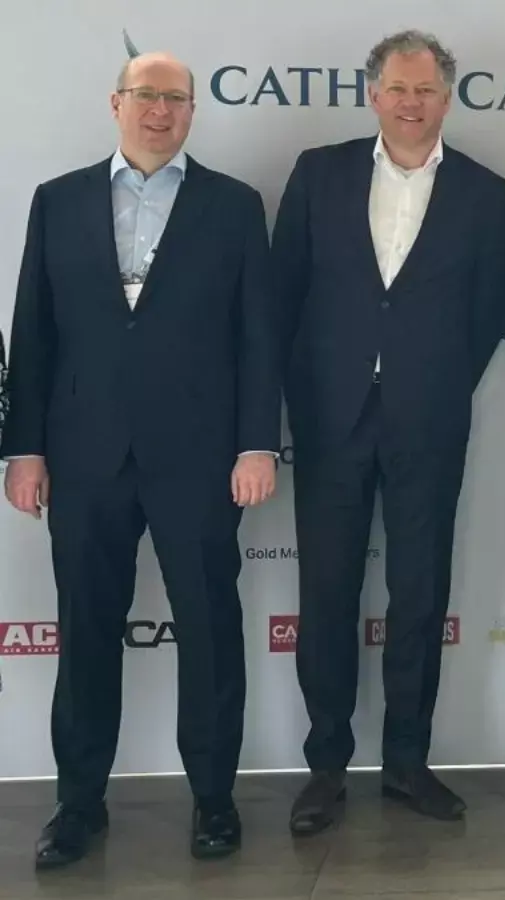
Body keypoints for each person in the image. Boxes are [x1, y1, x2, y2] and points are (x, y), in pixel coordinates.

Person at [3, 50, 280, 867]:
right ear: (116, 103)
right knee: (85, 628)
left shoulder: (235, 205)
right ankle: (78, 804)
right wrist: (23, 448)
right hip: (83, 454)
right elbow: (33, 331)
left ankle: (214, 799)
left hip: (201, 455)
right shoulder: (57, 200)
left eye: (176, 99)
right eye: (146, 96)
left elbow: (258, 336)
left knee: (210, 628)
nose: (161, 111)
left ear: (192, 110)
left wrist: (256, 442)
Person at [271, 29, 505, 834]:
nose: (412, 102)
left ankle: (408, 763)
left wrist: (433, 383)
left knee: (419, 594)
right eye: (399, 88)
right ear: (373, 94)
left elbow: (489, 311)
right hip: (330, 417)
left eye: (427, 89)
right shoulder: (319, 173)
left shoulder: (485, 192)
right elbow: (284, 294)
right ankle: (326, 767)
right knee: (327, 593)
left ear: (448, 98)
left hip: (428, 420)